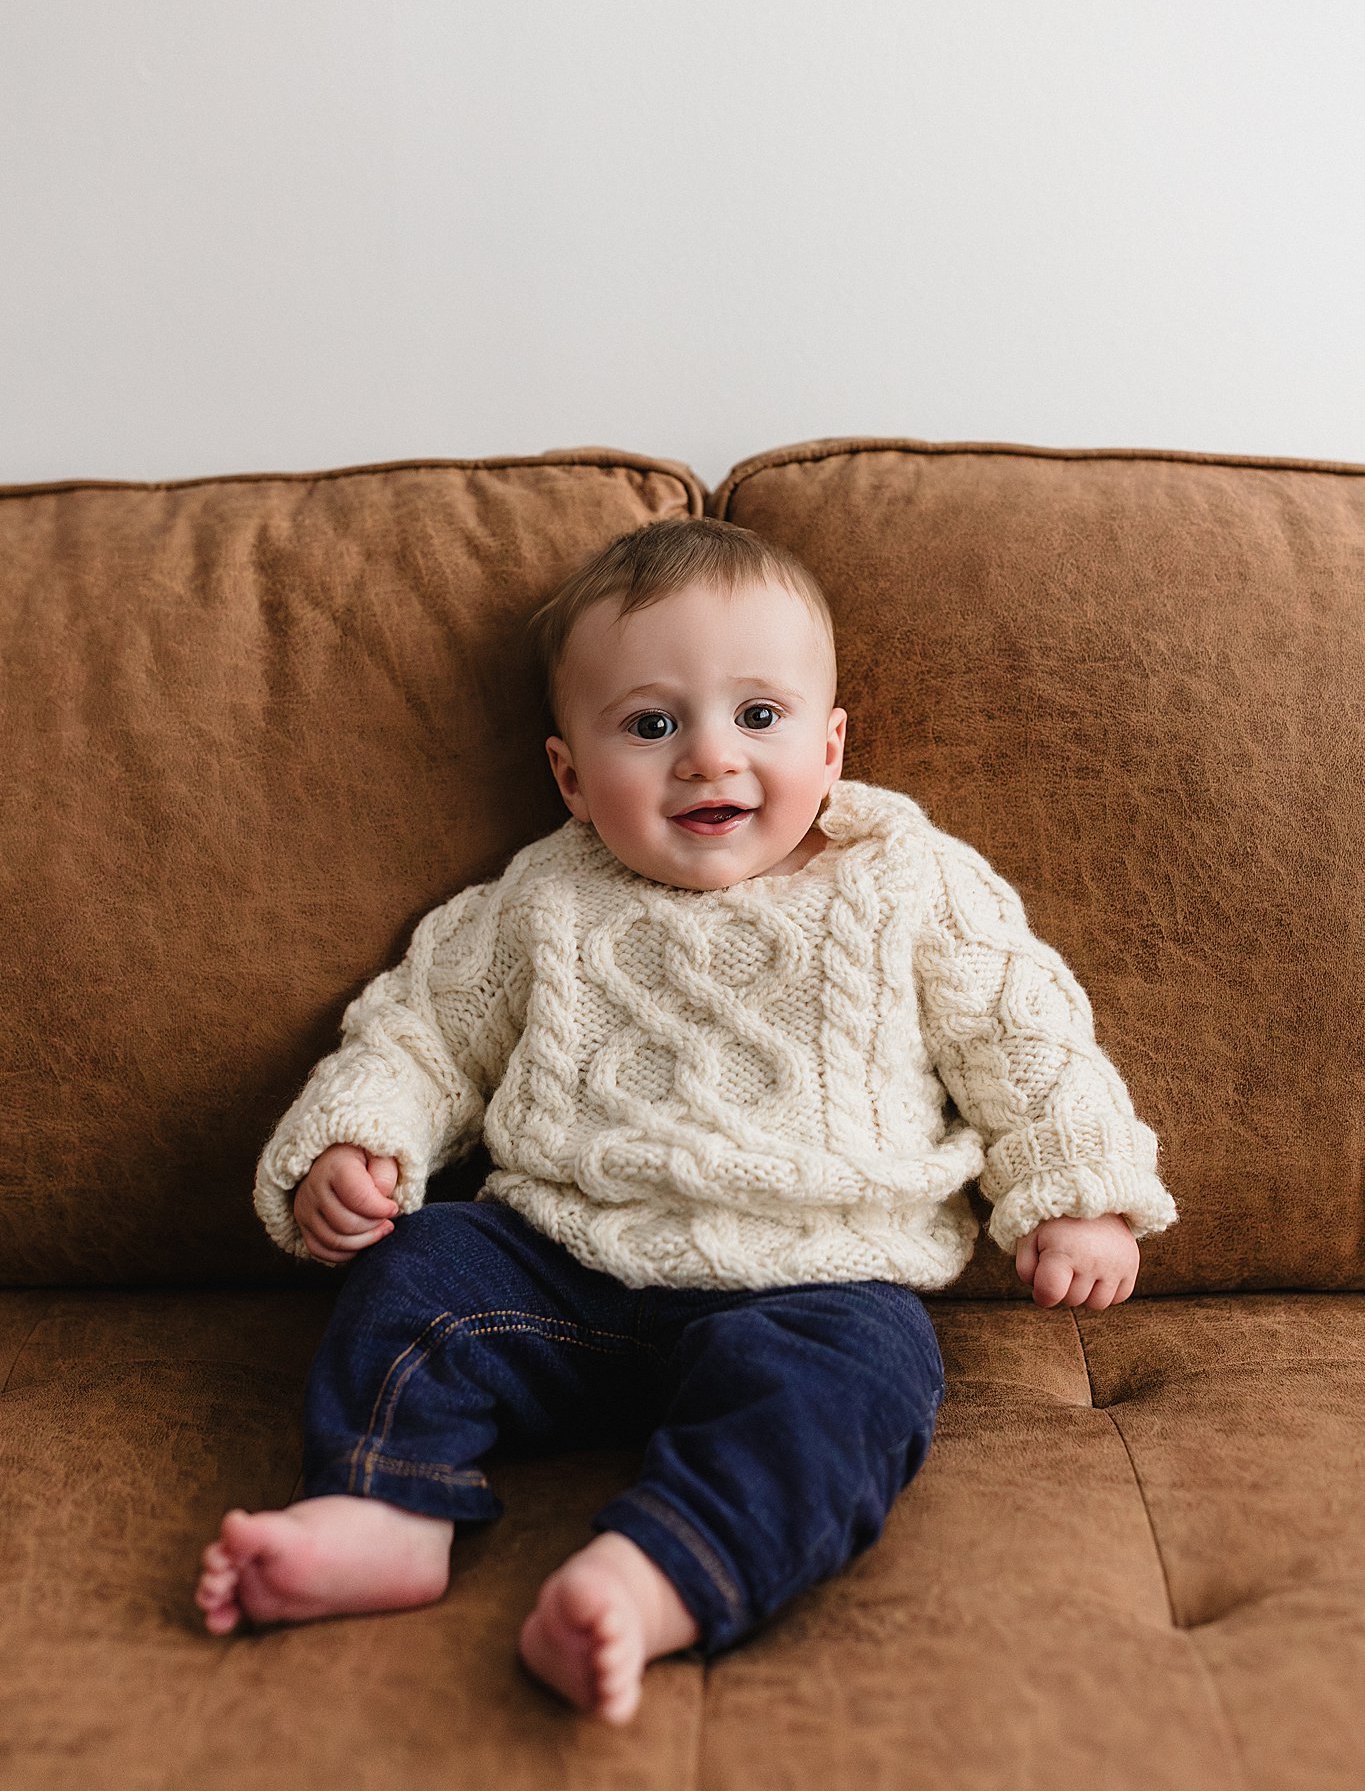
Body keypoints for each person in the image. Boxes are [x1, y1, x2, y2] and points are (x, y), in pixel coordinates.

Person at [195, 515, 1178, 1724]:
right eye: (652, 724)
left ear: (831, 743)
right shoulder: (542, 896)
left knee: (861, 1389)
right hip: (561, 1269)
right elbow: (425, 1031)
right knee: (422, 1267)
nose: (710, 759)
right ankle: (383, 1507)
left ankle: (653, 1576)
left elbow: (1026, 1039)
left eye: (757, 717)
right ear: (569, 772)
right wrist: (356, 1138)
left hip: (816, 1281)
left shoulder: (907, 880)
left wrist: (1078, 1193)